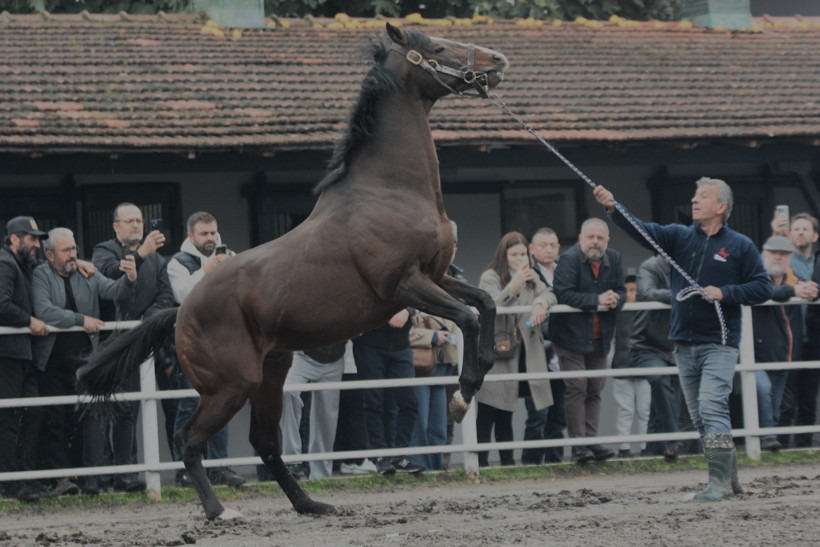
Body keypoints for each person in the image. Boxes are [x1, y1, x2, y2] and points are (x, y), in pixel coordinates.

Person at [594, 177, 772, 501]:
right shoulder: (677, 237)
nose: (694, 200)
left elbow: (763, 288)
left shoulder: (740, 246)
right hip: (683, 344)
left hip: (719, 343)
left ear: (721, 207)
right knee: (702, 415)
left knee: (711, 405)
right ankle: (728, 483)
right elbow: (642, 229)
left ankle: (717, 485)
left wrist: (725, 293)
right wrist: (613, 208)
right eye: (694, 195)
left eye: (702, 196)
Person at [32, 227, 136, 495]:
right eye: (67, 250)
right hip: (51, 363)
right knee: (55, 419)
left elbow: (114, 291)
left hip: (84, 360)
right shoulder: (40, 274)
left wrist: (130, 278)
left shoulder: (85, 272)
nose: (73, 254)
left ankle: (87, 480)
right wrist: (81, 320)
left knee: (85, 419)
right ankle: (63, 480)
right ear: (49, 254)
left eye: (75, 249)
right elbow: (44, 311)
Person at [91, 202, 174, 492]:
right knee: (110, 407)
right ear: (116, 226)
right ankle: (104, 476)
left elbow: (165, 297)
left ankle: (125, 474)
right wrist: (140, 254)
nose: (136, 225)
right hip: (109, 342)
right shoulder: (103, 249)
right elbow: (108, 277)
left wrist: (145, 323)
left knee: (133, 409)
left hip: (142, 340)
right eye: (129, 221)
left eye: (139, 220)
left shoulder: (158, 260)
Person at [167, 212, 244, 487]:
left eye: (213, 233)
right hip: (191, 344)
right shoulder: (178, 262)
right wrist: (208, 271)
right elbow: (181, 296)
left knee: (222, 403)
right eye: (204, 234)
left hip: (223, 343)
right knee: (189, 407)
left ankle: (220, 467)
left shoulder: (230, 255)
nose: (211, 239)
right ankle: (185, 470)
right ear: (191, 236)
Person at [477, 232, 555, 467]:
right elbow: (489, 304)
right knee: (491, 408)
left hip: (526, 350)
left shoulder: (533, 276)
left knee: (519, 410)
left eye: (523, 254)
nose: (520, 259)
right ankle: (480, 463)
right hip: (498, 350)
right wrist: (514, 285)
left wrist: (541, 304)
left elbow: (549, 293)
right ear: (504, 255)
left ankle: (512, 463)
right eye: (514, 254)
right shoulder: (490, 276)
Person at [550, 218, 625, 463]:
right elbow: (563, 293)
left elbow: (623, 290)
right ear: (581, 239)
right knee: (577, 387)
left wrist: (616, 299)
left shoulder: (614, 258)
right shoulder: (569, 260)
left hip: (600, 337)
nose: (595, 242)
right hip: (569, 336)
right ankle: (579, 444)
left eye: (600, 238)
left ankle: (591, 441)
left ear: (607, 241)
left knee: (595, 389)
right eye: (590, 237)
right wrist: (598, 301)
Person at [0, 216, 53, 501]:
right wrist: (29, 321)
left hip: (21, 353)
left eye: (38, 239)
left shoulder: (22, 265)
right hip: (6, 354)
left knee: (34, 411)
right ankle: (10, 482)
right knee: (8, 417)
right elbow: (0, 304)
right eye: (31, 238)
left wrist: (80, 263)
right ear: (14, 239)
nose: (36, 244)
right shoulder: (5, 264)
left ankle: (25, 478)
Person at [753, 236, 817, 451]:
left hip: (784, 354)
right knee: (763, 390)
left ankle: (768, 441)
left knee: (777, 404)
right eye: (773, 252)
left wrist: (811, 291)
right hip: (756, 354)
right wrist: (794, 291)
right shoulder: (755, 277)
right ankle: (768, 437)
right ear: (765, 254)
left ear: (789, 257)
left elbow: (802, 289)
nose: (778, 257)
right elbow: (761, 292)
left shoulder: (794, 279)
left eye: (783, 253)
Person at [353, 310, 426, 475]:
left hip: (400, 345)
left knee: (410, 403)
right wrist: (387, 315)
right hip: (369, 344)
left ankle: (399, 456)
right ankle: (380, 457)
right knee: (374, 403)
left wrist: (408, 310)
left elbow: (417, 292)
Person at [631, 254, 684, 460]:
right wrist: (682, 294)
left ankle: (653, 452)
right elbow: (648, 292)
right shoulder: (649, 266)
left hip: (674, 343)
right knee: (660, 381)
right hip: (645, 343)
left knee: (664, 399)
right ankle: (674, 441)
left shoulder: (687, 266)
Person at [522, 227, 567, 464]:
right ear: (532, 248)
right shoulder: (526, 273)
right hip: (537, 349)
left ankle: (555, 461)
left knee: (559, 414)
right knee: (537, 412)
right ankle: (530, 463)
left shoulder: (565, 270)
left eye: (553, 245)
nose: (549, 249)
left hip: (563, 349)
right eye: (543, 245)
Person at [774, 212, 820, 448]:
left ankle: (804, 445)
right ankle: (780, 445)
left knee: (809, 395)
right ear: (790, 236)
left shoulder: (817, 263)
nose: (801, 232)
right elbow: (770, 280)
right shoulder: (783, 261)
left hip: (814, 337)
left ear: (815, 235)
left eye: (805, 229)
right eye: (796, 229)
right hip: (788, 337)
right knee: (786, 397)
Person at [280, 345, 346, 480]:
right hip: (304, 355)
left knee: (327, 417)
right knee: (288, 392)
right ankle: (291, 460)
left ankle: (320, 476)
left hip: (335, 359)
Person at [408, 313, 457, 471]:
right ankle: (423, 469)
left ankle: (436, 469)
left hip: (444, 368)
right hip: (422, 368)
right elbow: (403, 334)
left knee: (439, 427)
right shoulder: (415, 297)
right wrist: (432, 336)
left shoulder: (448, 298)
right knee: (420, 424)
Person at [611, 275, 650, 458]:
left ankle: (645, 446)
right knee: (625, 409)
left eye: (634, 290)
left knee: (645, 409)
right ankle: (624, 448)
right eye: (626, 290)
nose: (630, 294)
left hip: (643, 365)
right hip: (622, 365)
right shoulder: (616, 312)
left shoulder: (649, 309)